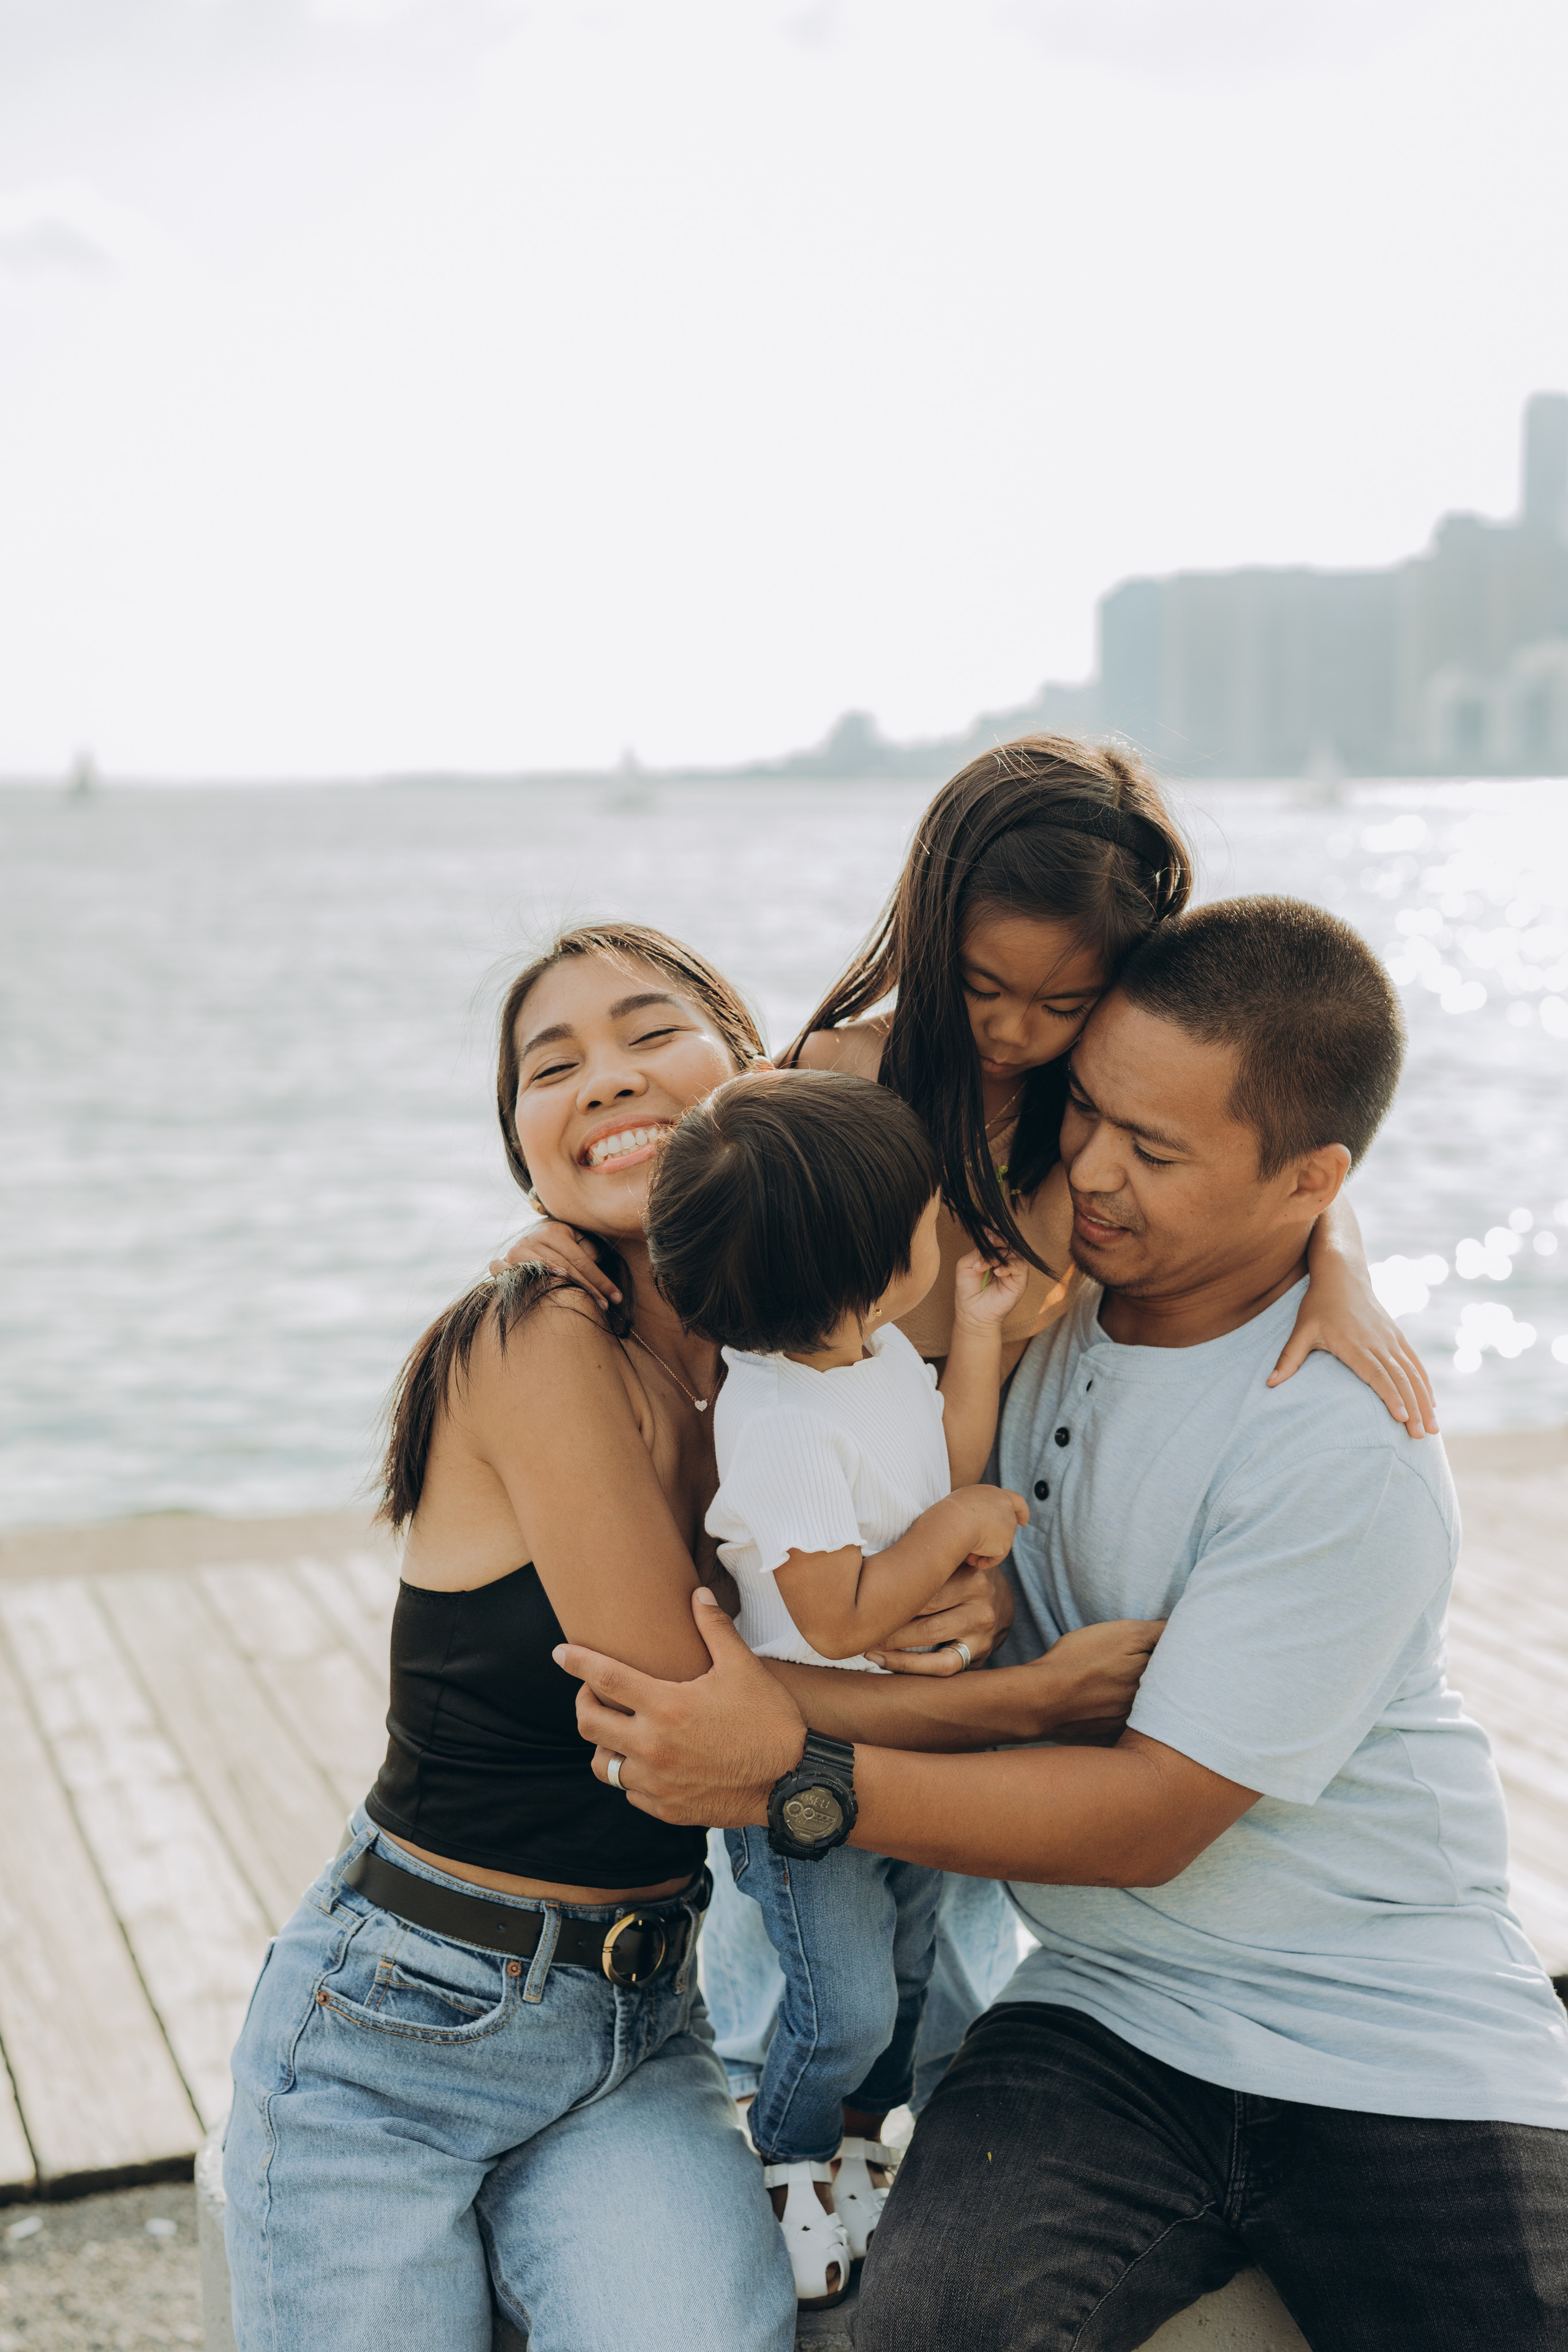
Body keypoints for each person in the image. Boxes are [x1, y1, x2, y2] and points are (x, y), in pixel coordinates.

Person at [555, 895, 1568, 2352]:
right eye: (1086, 1111)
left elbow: (1151, 1817)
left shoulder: (1341, 1443)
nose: (1089, 1167)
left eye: (1150, 1151)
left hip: (1392, 2028)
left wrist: (792, 1778)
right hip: (1103, 2012)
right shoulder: (1016, 1305)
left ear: (1309, 1181)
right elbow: (769, 1189)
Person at [223, 920, 1156, 2352]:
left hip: (638, 2027)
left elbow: (1101, 1097)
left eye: (651, 1033)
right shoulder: (534, 1337)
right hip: (403, 2029)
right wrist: (1018, 1700)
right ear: (525, 1150)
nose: (605, 1078)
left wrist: (935, 1599)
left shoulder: (798, 1345)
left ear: (752, 1070)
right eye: (553, 1066)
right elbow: (681, 1718)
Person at [506, 735, 1441, 2116]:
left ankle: (903, 2138)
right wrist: (538, 1245)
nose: (1012, 1031)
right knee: (818, 1963)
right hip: (834, 1539)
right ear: (926, 925)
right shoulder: (842, 1075)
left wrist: (1339, 1263)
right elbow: (710, 1206)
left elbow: (1268, 1139)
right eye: (983, 986)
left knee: (953, 1945)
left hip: (979, 1540)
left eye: (1062, 1001)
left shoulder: (1098, 1096)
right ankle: (784, 2143)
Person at [643, 1068, 1061, 2301]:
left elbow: (942, 1469)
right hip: (802, 1775)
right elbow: (835, 1612)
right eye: (924, 1220)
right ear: (867, 1269)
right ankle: (779, 2162)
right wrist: (964, 1531)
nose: (939, 1230)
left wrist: (976, 1332)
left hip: (905, 1756)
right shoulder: (774, 1420)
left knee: (919, 1972)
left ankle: (863, 2154)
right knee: (839, 2012)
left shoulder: (870, 1354)